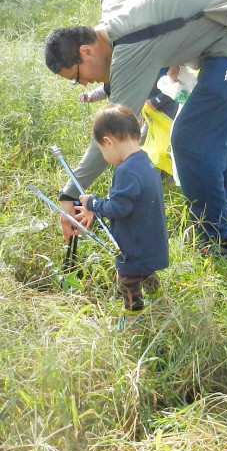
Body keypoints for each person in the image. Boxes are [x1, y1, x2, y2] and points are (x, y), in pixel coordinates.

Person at [44, 0, 227, 258]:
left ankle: (219, 240)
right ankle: (220, 231)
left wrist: (69, 194)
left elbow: (111, 133)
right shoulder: (115, 14)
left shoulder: (129, 46)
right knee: (220, 135)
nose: (84, 84)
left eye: (77, 76)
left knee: (189, 140)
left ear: (87, 51)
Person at [76, 104, 169, 325]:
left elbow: (119, 208)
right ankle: (159, 302)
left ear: (108, 142)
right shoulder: (144, 160)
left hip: (133, 241)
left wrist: (93, 202)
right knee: (145, 272)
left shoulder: (126, 171)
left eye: (101, 149)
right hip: (150, 236)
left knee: (127, 279)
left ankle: (133, 316)